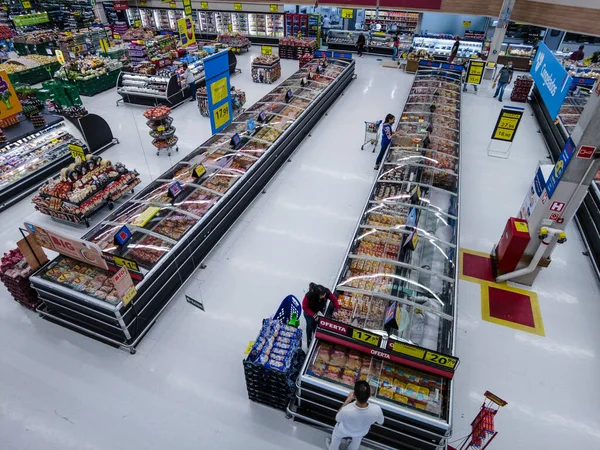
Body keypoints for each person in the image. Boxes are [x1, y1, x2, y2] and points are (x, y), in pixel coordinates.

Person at [325, 381, 385, 450]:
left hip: (344, 430)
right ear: (369, 395)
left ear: (354, 395)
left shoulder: (347, 409)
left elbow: (337, 419)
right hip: (361, 431)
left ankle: (333, 448)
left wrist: (348, 399)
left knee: (336, 436)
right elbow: (381, 423)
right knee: (356, 441)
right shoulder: (376, 409)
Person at [302, 282, 340, 347]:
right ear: (317, 295)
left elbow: (334, 300)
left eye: (325, 295)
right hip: (309, 312)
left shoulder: (326, 292)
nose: (325, 296)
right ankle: (309, 342)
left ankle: (316, 336)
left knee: (317, 326)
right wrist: (313, 315)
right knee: (310, 326)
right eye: (322, 296)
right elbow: (304, 307)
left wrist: (336, 310)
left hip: (319, 310)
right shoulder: (309, 296)